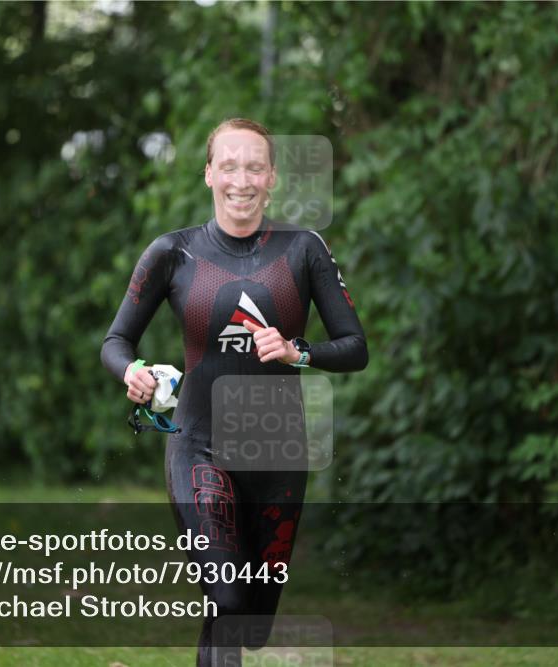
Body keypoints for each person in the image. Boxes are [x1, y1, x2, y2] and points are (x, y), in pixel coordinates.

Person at [101, 118, 367, 666]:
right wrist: (132, 371)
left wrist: (300, 352)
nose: (240, 179)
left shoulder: (304, 249)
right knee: (225, 595)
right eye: (228, 165)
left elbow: (355, 347)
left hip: (278, 455)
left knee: (249, 621)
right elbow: (116, 340)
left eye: (253, 166)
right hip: (199, 444)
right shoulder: (173, 253)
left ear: (271, 177)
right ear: (208, 174)